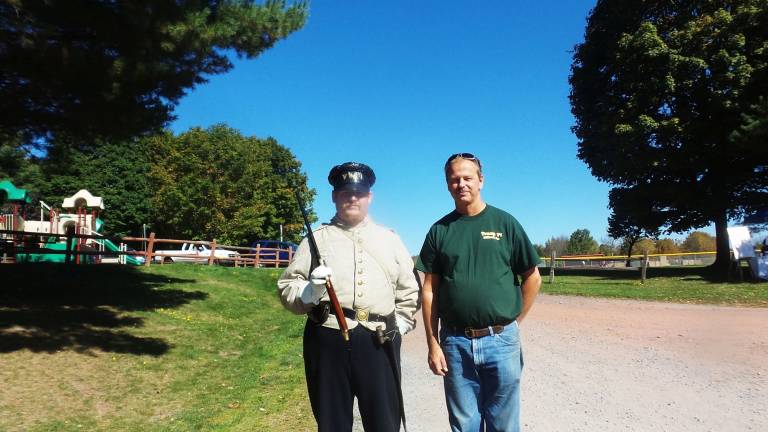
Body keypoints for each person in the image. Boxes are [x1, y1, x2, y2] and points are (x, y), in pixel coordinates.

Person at [277, 161, 420, 432]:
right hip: (327, 340)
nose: (352, 197)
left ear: (369, 197)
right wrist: (309, 291)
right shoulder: (315, 240)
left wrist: (401, 323)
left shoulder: (390, 240)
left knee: (384, 423)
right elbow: (287, 287)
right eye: (345, 192)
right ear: (334, 196)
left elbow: (410, 289)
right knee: (332, 424)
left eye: (359, 192)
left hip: (379, 340)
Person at [416, 153, 542, 432]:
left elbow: (532, 277)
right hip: (455, 343)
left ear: (481, 181)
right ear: (447, 184)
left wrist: (515, 320)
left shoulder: (505, 223)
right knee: (464, 423)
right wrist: (433, 343)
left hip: (502, 341)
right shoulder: (439, 231)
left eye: (467, 178)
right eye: (454, 179)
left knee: (504, 423)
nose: (461, 184)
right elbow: (429, 291)